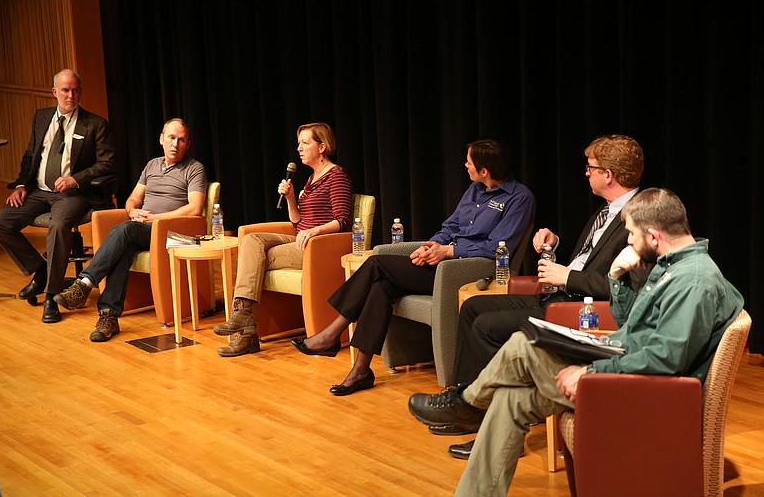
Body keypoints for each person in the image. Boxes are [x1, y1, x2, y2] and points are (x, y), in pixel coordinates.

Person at [408, 188, 744, 496]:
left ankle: (467, 403)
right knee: (511, 399)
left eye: (630, 233)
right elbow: (631, 326)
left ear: (654, 235)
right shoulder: (673, 266)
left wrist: (590, 371)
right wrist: (618, 280)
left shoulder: (694, 282)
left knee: (524, 345)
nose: (628, 240)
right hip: (630, 373)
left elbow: (666, 360)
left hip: (648, 394)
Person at [292, 139, 536, 396]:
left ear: (484, 170)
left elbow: (499, 246)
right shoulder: (474, 190)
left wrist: (448, 251)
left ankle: (332, 334)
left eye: (469, 162)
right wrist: (431, 246)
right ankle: (360, 369)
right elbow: (451, 227)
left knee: (376, 262)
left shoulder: (520, 198)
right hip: (444, 262)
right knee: (381, 286)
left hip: (472, 272)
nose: (465, 165)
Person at [450, 135, 648, 407]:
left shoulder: (639, 218)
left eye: (591, 168)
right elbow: (590, 258)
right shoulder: (608, 210)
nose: (586, 173)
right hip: (557, 294)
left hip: (579, 309)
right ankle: (463, 393)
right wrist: (555, 242)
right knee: (473, 308)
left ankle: (482, 408)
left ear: (608, 175)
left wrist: (568, 277)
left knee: (487, 326)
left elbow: (628, 290)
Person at [54, 118, 206, 342]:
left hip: (171, 233)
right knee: (123, 248)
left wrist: (155, 218)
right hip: (142, 230)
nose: (175, 144)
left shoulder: (194, 168)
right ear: (161, 139)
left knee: (126, 230)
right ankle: (108, 317)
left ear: (188, 144)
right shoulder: (152, 165)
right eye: (171, 138)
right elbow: (133, 199)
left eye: (181, 140)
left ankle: (84, 284)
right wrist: (133, 210)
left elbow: (195, 208)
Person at [212, 122, 352, 357]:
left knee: (259, 257)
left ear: (322, 147)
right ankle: (244, 318)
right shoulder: (310, 179)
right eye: (299, 143)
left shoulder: (336, 176)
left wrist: (315, 231)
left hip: (317, 247)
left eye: (305, 143)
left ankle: (246, 330)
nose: (299, 148)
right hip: (299, 238)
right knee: (251, 240)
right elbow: (297, 221)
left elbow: (343, 220)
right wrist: (290, 198)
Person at [0, 69, 116, 323]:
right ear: (55, 92)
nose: (71, 95)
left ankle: (51, 296)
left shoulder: (95, 124)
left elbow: (108, 163)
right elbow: (29, 156)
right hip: (37, 192)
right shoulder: (42, 117)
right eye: (66, 90)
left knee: (58, 226)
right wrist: (23, 184)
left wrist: (74, 179)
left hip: (73, 195)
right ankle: (41, 270)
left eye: (76, 90)